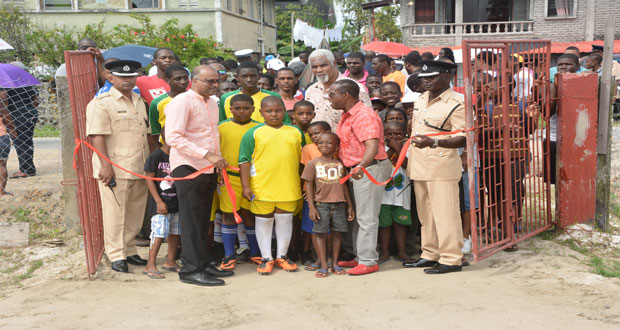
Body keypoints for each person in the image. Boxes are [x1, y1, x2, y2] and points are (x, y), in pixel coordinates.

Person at [165, 65, 233, 286]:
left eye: (217, 81)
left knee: (205, 219)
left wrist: (217, 164)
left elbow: (212, 136)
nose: (216, 85)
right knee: (192, 220)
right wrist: (207, 155)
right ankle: (190, 270)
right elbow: (173, 138)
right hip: (188, 166)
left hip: (208, 167)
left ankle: (202, 264)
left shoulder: (213, 102)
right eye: (210, 82)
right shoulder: (182, 102)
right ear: (194, 81)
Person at [85, 60, 150, 273]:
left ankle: (130, 250)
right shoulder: (101, 103)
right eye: (122, 77)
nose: (127, 80)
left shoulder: (139, 100)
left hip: (138, 166)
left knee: (135, 212)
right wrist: (105, 166)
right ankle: (116, 255)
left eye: (131, 76)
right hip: (115, 167)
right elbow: (97, 136)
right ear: (110, 78)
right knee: (115, 213)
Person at [403, 60, 466, 274]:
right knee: (426, 214)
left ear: (447, 76)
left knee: (446, 214)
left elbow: (464, 137)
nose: (426, 81)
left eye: (431, 77)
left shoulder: (458, 103)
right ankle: (430, 253)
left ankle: (451, 258)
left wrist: (435, 142)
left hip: (441, 165)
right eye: (424, 78)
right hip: (420, 164)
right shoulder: (421, 99)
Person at [329, 79, 391, 276]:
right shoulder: (347, 115)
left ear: (346, 95)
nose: (329, 98)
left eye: (332, 94)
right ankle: (360, 256)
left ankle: (368, 260)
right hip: (357, 170)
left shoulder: (364, 115)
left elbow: (372, 147)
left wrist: (360, 167)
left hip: (367, 169)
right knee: (357, 216)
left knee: (367, 217)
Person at [239, 96, 304, 275]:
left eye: (278, 110)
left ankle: (282, 256)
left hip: (289, 185)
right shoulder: (252, 133)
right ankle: (266, 257)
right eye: (269, 111)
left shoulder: (296, 132)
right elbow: (244, 161)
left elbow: (302, 161)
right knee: (264, 220)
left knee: (285, 219)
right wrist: (246, 186)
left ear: (285, 111)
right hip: (262, 186)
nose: (274, 114)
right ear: (261, 113)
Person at [302, 132, 355, 278]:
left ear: (337, 146)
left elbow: (344, 186)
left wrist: (349, 205)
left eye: (329, 143)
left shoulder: (339, 164)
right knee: (320, 234)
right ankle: (324, 265)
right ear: (317, 145)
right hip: (321, 205)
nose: (324, 145)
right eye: (321, 142)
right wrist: (312, 208)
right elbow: (308, 186)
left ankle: (335, 263)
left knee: (337, 234)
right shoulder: (312, 164)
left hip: (339, 204)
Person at [217, 94, 261, 269]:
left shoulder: (259, 128)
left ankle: (255, 252)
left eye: (246, 108)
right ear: (230, 109)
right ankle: (229, 255)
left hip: (252, 179)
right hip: (228, 178)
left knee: (250, 215)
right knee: (228, 214)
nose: (242, 111)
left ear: (253, 109)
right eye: (237, 108)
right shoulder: (221, 127)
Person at [142, 138, 182, 279]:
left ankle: (170, 261)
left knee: (175, 232)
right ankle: (150, 264)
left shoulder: (179, 155)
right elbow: (148, 178)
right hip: (161, 204)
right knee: (159, 232)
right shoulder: (156, 156)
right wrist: (158, 201)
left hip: (175, 202)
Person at [305, 49, 371, 131]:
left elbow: (368, 123)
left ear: (334, 63)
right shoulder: (310, 91)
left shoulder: (354, 88)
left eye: (323, 65)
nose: (319, 70)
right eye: (314, 67)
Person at [379, 121, 412, 263]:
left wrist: (398, 149)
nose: (394, 137)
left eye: (398, 134)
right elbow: (382, 165)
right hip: (383, 196)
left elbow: (407, 165)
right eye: (390, 134)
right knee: (384, 225)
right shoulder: (380, 148)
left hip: (402, 196)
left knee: (400, 225)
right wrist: (392, 149)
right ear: (384, 134)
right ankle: (385, 253)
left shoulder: (408, 147)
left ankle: (402, 252)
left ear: (404, 134)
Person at [299, 120, 331, 267]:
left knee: (330, 228)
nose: (314, 137)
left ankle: (329, 257)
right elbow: (305, 173)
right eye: (311, 134)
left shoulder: (334, 147)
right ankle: (318, 257)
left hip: (331, 195)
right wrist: (304, 190)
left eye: (317, 133)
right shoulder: (308, 149)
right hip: (312, 195)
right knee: (314, 227)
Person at [219, 62, 284, 123]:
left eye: (253, 76)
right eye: (244, 76)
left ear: (259, 76)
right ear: (237, 77)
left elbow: (284, 122)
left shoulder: (273, 97)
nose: (249, 80)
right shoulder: (226, 98)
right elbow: (222, 123)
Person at [5, 80, 39, 178]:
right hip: (30, 114)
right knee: (26, 141)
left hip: (17, 115)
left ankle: (27, 169)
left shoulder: (6, 84)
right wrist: (28, 109)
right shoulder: (28, 82)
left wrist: (10, 123)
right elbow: (36, 100)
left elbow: (4, 103)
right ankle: (27, 168)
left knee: (21, 142)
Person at [148, 64, 190, 145]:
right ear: (167, 81)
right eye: (178, 79)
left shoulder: (197, 98)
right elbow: (156, 132)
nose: (183, 82)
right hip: (170, 149)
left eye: (185, 78)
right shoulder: (157, 103)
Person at [0, 90, 16, 195]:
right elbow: (5, 114)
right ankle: (1, 191)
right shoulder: (2, 95)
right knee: (1, 164)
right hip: (1, 135)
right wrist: (13, 130)